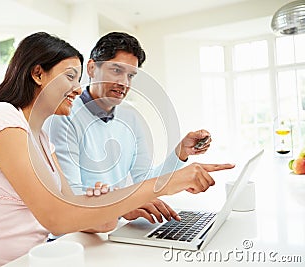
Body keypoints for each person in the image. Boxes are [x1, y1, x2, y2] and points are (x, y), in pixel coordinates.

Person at [0, 32, 234, 266]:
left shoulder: (42, 138)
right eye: (70, 76)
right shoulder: (1, 118)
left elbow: (72, 213)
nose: (77, 87)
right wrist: (166, 184)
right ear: (37, 74)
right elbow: (57, 218)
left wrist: (104, 208)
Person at [45, 32, 213, 224]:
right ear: (91, 68)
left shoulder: (131, 117)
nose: (124, 83)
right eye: (116, 71)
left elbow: (144, 180)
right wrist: (123, 204)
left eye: (130, 75)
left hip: (114, 224)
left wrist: (180, 152)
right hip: (80, 230)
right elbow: (70, 193)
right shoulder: (64, 115)